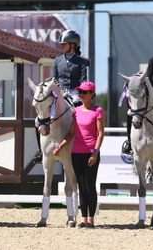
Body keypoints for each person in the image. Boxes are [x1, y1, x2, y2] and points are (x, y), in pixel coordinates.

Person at [53, 81, 104, 229]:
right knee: (81, 186)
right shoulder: (76, 111)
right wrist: (60, 147)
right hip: (76, 152)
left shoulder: (98, 111)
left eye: (84, 92)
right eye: (80, 92)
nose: (81, 94)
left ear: (92, 94)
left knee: (90, 185)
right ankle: (84, 219)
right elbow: (71, 133)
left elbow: (100, 134)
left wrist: (95, 152)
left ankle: (91, 219)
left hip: (90, 153)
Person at [33, 30, 89, 163]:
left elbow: (83, 81)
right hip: (59, 93)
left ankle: (81, 144)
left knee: (81, 115)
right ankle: (41, 151)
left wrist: (76, 93)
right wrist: (61, 90)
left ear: (73, 45)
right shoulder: (58, 61)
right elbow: (54, 79)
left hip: (75, 93)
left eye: (64, 44)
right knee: (38, 120)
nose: (61, 46)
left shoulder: (81, 62)